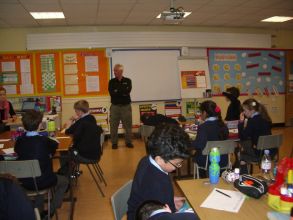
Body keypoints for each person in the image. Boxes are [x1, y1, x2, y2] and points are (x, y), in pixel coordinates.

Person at [127, 123, 191, 220]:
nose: (179, 167)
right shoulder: (156, 183)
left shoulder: (146, 160)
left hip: (145, 210)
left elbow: (152, 198)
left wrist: (170, 200)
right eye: (178, 164)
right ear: (159, 160)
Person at [14, 110, 68, 217]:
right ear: (40, 125)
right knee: (64, 182)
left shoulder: (19, 140)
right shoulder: (45, 141)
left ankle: (38, 211)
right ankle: (50, 211)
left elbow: (17, 150)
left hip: (25, 182)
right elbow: (53, 150)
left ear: (23, 125)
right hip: (44, 180)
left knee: (37, 178)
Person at [59, 100, 103, 175]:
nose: (75, 112)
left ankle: (66, 175)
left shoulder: (81, 122)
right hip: (95, 153)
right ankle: (71, 172)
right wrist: (77, 121)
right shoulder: (91, 118)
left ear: (79, 111)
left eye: (76, 111)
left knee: (64, 152)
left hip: (86, 155)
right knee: (71, 149)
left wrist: (71, 119)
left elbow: (68, 131)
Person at [191, 100, 229, 178]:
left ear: (205, 113)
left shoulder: (203, 127)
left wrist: (191, 142)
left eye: (200, 112)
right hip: (223, 160)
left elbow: (199, 145)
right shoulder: (223, 125)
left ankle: (203, 178)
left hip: (207, 161)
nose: (200, 114)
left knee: (196, 154)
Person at [238, 98, 275, 173]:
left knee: (240, 153)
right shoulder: (265, 118)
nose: (244, 113)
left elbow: (243, 136)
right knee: (247, 145)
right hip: (272, 151)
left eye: (245, 110)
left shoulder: (252, 121)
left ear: (252, 110)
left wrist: (241, 122)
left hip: (260, 153)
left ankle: (244, 176)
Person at [108, 64, 133, 149]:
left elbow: (127, 91)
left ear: (121, 71)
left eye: (116, 70)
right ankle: (114, 143)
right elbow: (112, 93)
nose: (114, 72)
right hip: (115, 107)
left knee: (128, 126)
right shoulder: (111, 82)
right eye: (114, 70)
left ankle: (128, 142)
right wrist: (122, 91)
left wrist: (117, 91)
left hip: (126, 106)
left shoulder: (128, 80)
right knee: (113, 125)